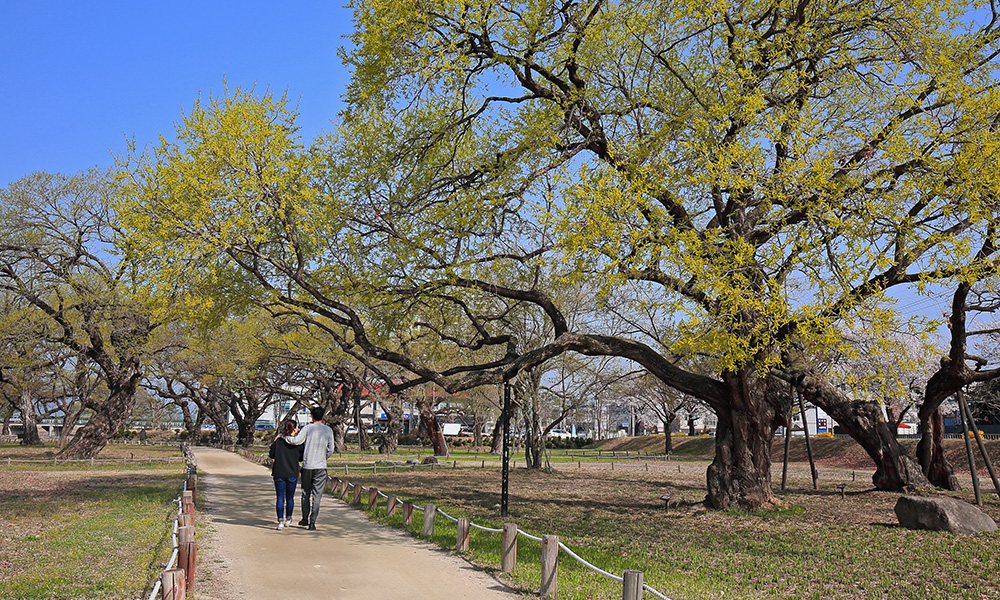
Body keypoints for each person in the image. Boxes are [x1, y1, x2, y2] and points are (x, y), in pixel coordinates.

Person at [280, 406, 335, 530]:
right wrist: (323, 457)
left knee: (306, 493)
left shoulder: (308, 428)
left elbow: (297, 441)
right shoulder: (328, 430)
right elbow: (331, 449)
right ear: (323, 417)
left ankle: (305, 518)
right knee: (317, 496)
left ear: (312, 416)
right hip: (321, 467)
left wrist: (285, 437)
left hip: (307, 466)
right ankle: (312, 522)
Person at [269, 419, 304, 530]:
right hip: (292, 473)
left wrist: (276, 441)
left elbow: (272, 454)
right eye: (297, 428)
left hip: (279, 472)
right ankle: (288, 519)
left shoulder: (278, 441)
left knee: (280, 497)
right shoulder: (297, 443)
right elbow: (301, 457)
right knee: (290, 497)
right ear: (293, 429)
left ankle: (280, 521)